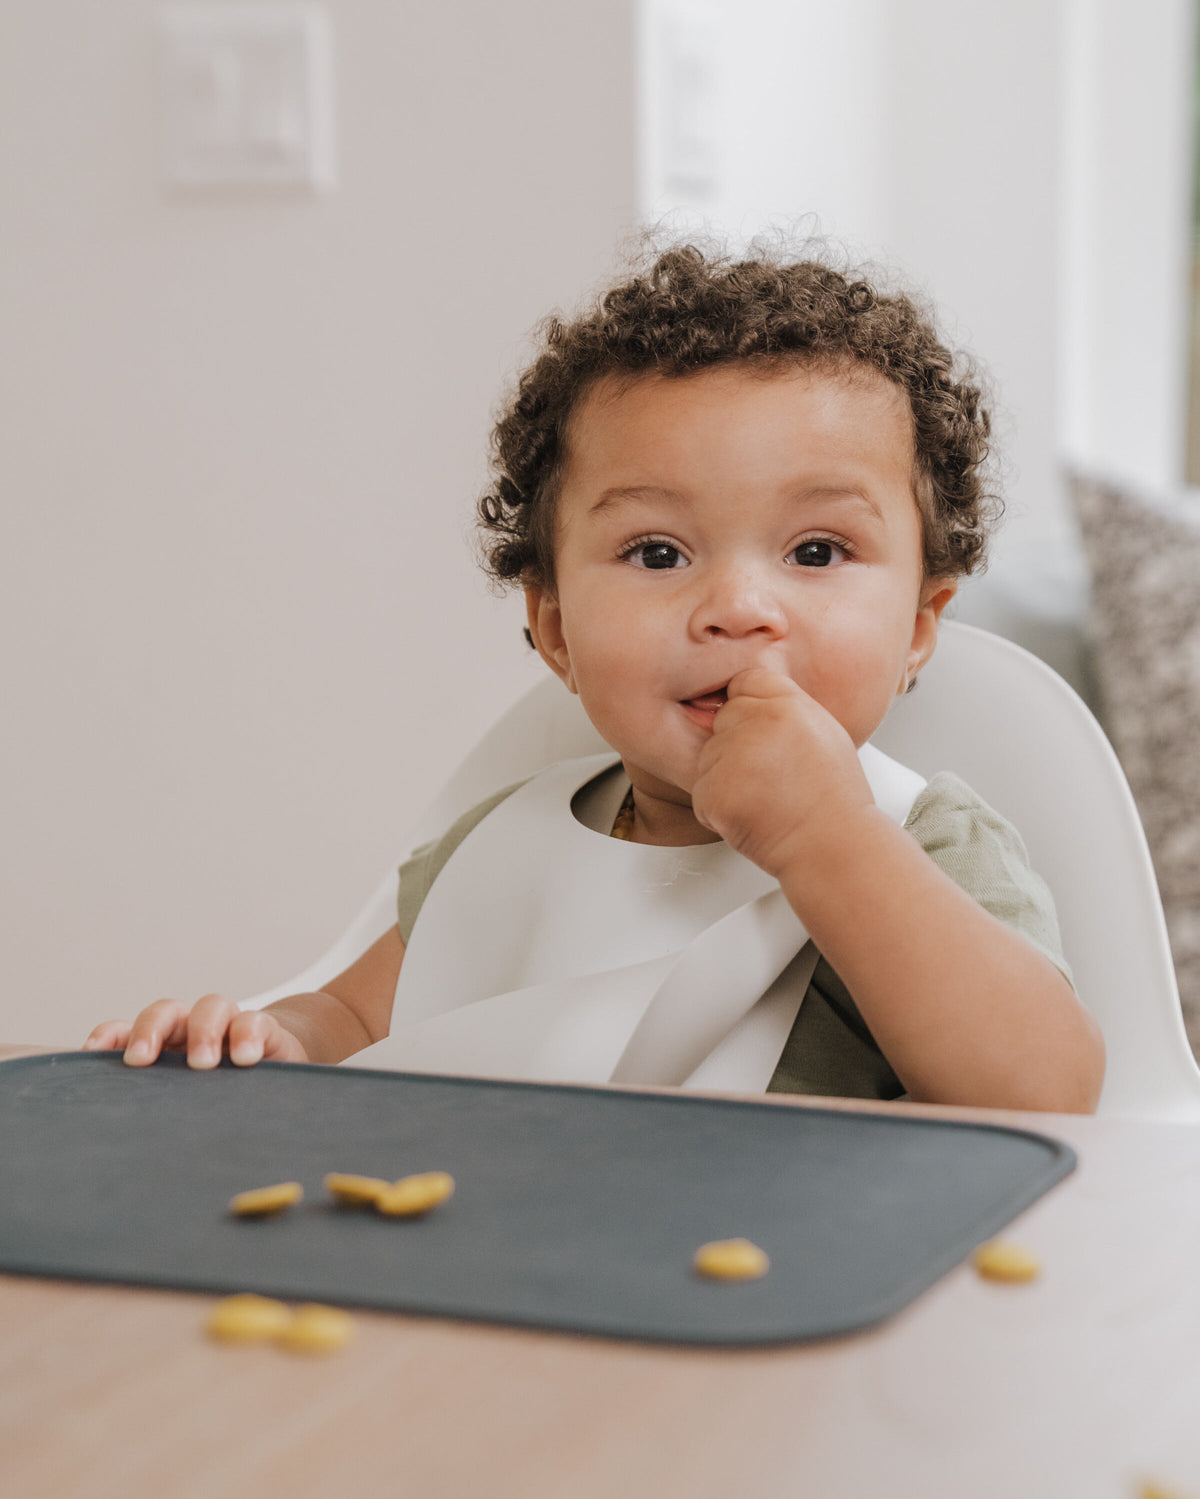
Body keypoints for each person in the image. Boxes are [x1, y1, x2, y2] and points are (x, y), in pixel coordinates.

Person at [83, 242, 1106, 1112]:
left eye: (818, 550)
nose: (738, 607)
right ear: (556, 625)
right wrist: (267, 1039)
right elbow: (357, 1015)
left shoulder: (923, 843)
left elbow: (1046, 1093)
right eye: (659, 552)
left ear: (923, 622)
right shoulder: (499, 846)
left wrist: (826, 839)